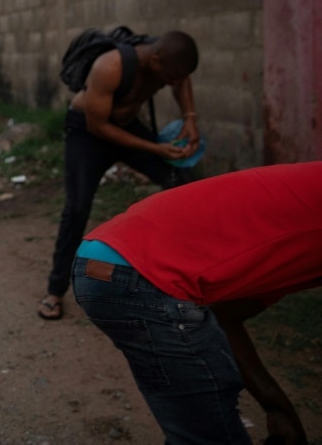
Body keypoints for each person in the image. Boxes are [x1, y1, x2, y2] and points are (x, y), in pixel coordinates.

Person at [72, 162, 322, 444]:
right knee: (207, 431)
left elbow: (226, 316)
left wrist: (276, 406)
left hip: (102, 261)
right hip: (140, 277)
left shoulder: (292, 226)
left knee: (199, 418)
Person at [38, 30, 201, 321]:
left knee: (182, 185)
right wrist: (155, 148)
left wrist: (190, 119)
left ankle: (191, 277)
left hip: (126, 126)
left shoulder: (166, 63)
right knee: (76, 208)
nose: (175, 83)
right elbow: (99, 127)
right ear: (155, 60)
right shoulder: (109, 66)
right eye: (172, 77)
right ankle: (55, 290)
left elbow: (182, 79)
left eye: (179, 77)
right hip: (89, 132)